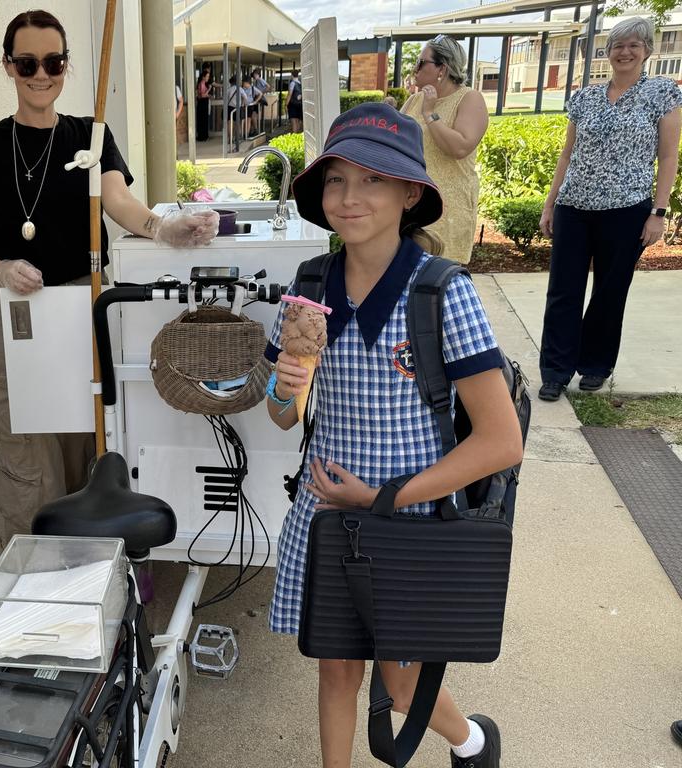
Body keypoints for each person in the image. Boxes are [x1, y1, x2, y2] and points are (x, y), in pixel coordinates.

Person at [264, 103, 523, 768]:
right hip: (325, 512)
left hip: (411, 517)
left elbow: (501, 441)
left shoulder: (440, 293)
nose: (350, 198)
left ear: (411, 193)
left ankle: (472, 742)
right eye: (335, 180)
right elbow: (280, 414)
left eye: (372, 180)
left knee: (403, 680)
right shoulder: (310, 284)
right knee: (335, 666)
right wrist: (287, 383)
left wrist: (384, 494)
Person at [0, 10, 218, 547]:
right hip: (13, 309)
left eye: (53, 61)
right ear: (8, 66)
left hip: (81, 303)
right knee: (25, 450)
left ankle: (93, 579)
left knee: (87, 441)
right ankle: (36, 592)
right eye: (27, 62)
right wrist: (0, 269)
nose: (41, 73)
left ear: (67, 66)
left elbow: (118, 201)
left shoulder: (89, 135)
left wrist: (164, 228)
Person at [536, 16, 682, 401]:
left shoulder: (662, 93)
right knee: (563, 290)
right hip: (574, 207)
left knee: (609, 291)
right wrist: (550, 204)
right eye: (618, 45)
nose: (625, 51)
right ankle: (555, 370)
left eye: (634, 44)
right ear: (608, 52)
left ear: (648, 51)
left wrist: (659, 212)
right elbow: (567, 155)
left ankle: (596, 365)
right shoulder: (584, 98)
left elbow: (668, 157)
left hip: (627, 210)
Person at [401, 34, 488, 265]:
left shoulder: (469, 99)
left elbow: (459, 147)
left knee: (438, 281)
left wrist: (430, 114)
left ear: (443, 68)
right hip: (410, 205)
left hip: (447, 209)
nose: (415, 68)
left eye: (421, 63)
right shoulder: (413, 101)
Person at [196, 69, 212, 141]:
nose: (208, 78)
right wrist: (209, 90)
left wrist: (208, 95)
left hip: (203, 103)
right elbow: (202, 95)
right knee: (203, 120)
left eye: (208, 77)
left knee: (204, 119)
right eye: (207, 76)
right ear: (203, 77)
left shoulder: (203, 84)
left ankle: (204, 135)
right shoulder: (202, 84)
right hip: (202, 103)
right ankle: (202, 136)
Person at [286, 69, 303, 133]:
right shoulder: (300, 83)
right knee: (298, 120)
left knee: (293, 120)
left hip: (293, 105)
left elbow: (290, 94)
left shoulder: (292, 83)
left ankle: (294, 135)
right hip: (299, 104)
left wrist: (286, 104)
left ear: (292, 75)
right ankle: (298, 136)